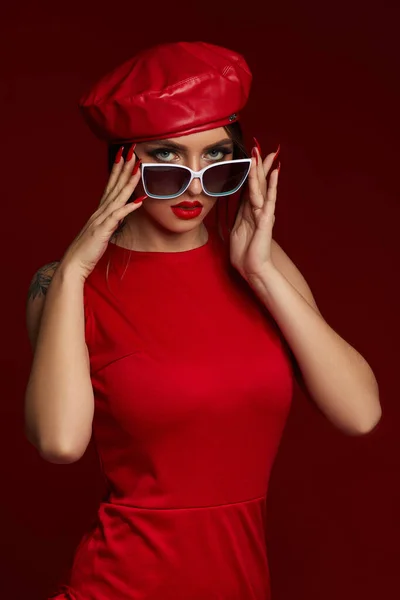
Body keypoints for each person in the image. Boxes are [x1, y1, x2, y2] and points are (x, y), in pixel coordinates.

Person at [24, 41, 381, 599]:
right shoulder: (64, 285)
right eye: (167, 158)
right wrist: (74, 270)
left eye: (217, 158)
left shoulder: (256, 259)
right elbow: (60, 442)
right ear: (123, 162)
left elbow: (360, 414)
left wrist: (260, 271)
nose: (194, 184)